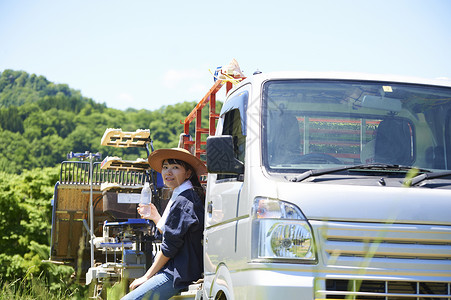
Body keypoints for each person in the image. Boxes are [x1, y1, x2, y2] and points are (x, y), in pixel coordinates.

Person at [121, 148, 206, 300]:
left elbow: (169, 247)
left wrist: (146, 276)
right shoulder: (188, 195)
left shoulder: (183, 201)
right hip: (183, 269)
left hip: (177, 273)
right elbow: (176, 234)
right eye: (165, 167)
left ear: (188, 173)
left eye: (175, 168)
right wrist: (155, 217)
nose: (168, 172)